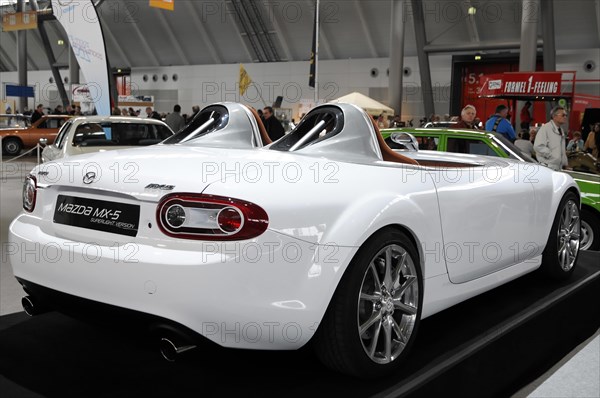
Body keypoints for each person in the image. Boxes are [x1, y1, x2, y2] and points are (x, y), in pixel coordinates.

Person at [533, 106, 569, 171]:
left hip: (557, 168)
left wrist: (565, 163)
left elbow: (561, 150)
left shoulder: (560, 130)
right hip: (547, 167)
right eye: (563, 115)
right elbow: (538, 146)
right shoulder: (545, 128)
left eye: (566, 115)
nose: (565, 117)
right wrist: (551, 155)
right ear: (554, 116)